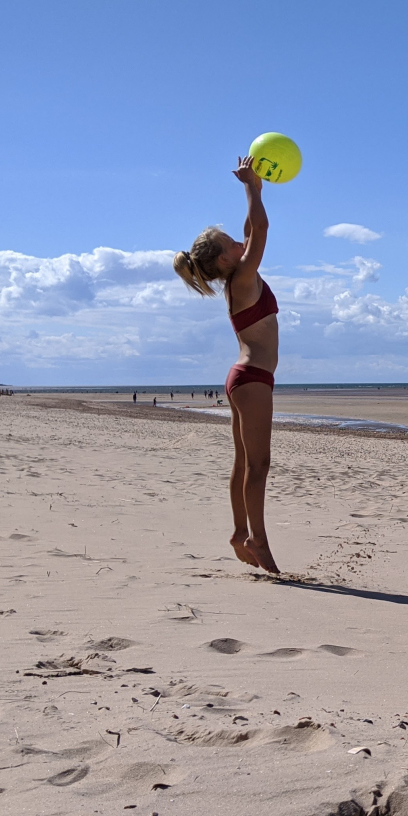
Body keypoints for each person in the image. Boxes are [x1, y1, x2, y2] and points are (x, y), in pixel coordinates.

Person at [172, 156, 281, 574]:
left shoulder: (238, 277)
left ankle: (240, 531)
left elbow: (252, 230)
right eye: (232, 242)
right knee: (258, 466)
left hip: (242, 379)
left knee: (243, 464)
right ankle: (258, 539)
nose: (241, 241)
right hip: (252, 380)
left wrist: (255, 188)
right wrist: (251, 188)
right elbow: (262, 230)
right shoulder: (243, 276)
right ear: (223, 260)